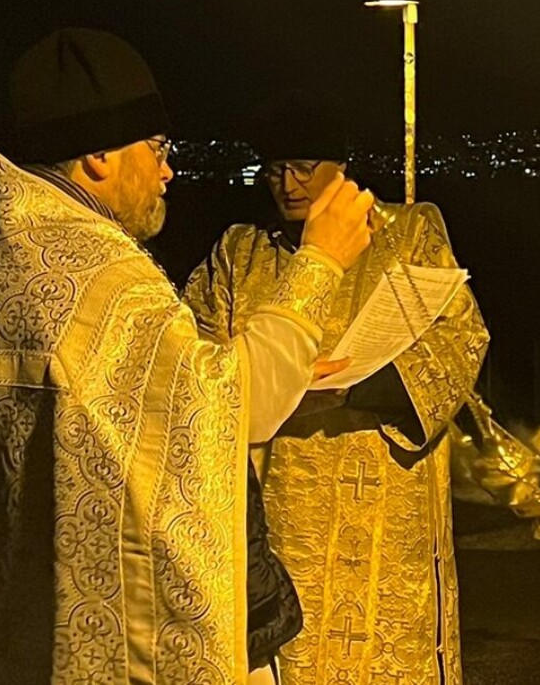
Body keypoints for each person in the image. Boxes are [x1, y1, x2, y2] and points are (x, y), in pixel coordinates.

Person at [0, 29, 373, 684]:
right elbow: (240, 405)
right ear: (98, 156)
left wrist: (236, 369)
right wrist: (320, 260)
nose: (169, 171)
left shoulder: (20, 254)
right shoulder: (101, 277)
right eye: (159, 148)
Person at [184, 91, 489, 685]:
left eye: (304, 167)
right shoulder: (239, 252)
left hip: (386, 501)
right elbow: (197, 361)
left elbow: (460, 339)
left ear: (340, 167)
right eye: (276, 169)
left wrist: (354, 390)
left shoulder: (407, 235)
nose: (289, 184)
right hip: (280, 500)